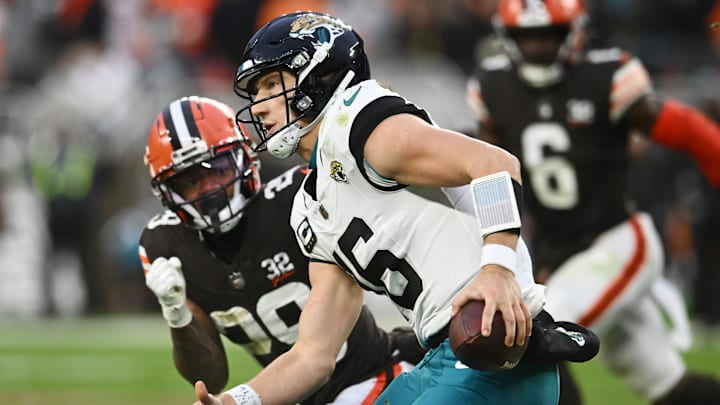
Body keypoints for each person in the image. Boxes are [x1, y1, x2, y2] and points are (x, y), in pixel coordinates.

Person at [195, 11, 599, 405]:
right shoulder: (310, 205)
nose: (260, 106)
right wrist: (237, 400)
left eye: (271, 84)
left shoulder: (355, 123)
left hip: (494, 345)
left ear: (319, 75)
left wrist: (497, 269)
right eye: (257, 92)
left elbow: (495, 165)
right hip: (442, 357)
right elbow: (312, 357)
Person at [465, 1, 720, 404]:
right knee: (669, 386)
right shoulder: (492, 86)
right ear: (507, 38)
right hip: (562, 252)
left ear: (575, 32)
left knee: (538, 336)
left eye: (549, 36)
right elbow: (491, 175)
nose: (537, 48)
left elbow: (685, 129)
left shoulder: (606, 75)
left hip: (617, 240)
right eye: (526, 37)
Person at [139, 95, 428, 404]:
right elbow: (210, 377)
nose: (209, 189)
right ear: (167, 192)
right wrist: (177, 314)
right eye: (190, 180)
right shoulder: (164, 244)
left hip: (370, 375)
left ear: (244, 158)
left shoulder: (299, 198)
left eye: (218, 168)